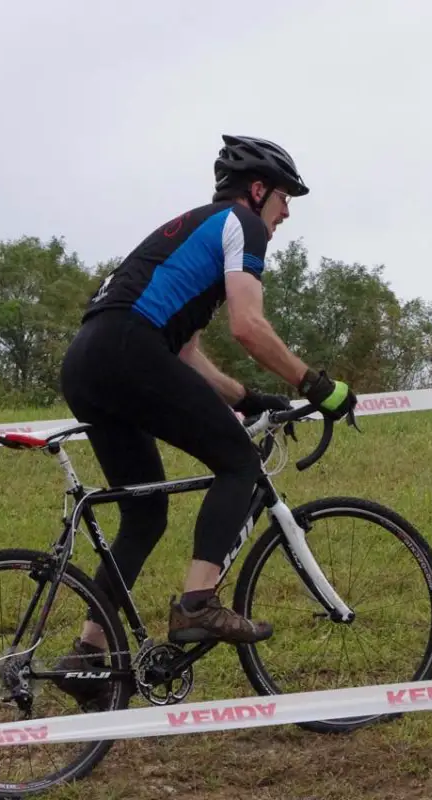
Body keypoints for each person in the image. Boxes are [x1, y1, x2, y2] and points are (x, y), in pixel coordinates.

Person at [52, 134, 357, 709]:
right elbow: (249, 325)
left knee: (144, 515)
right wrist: (314, 385)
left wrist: (246, 397)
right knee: (238, 463)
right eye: (285, 197)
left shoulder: (193, 230)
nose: (287, 212)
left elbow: (186, 352)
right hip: (127, 349)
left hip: (90, 360)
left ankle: (87, 655)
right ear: (259, 189)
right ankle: (197, 604)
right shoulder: (243, 224)